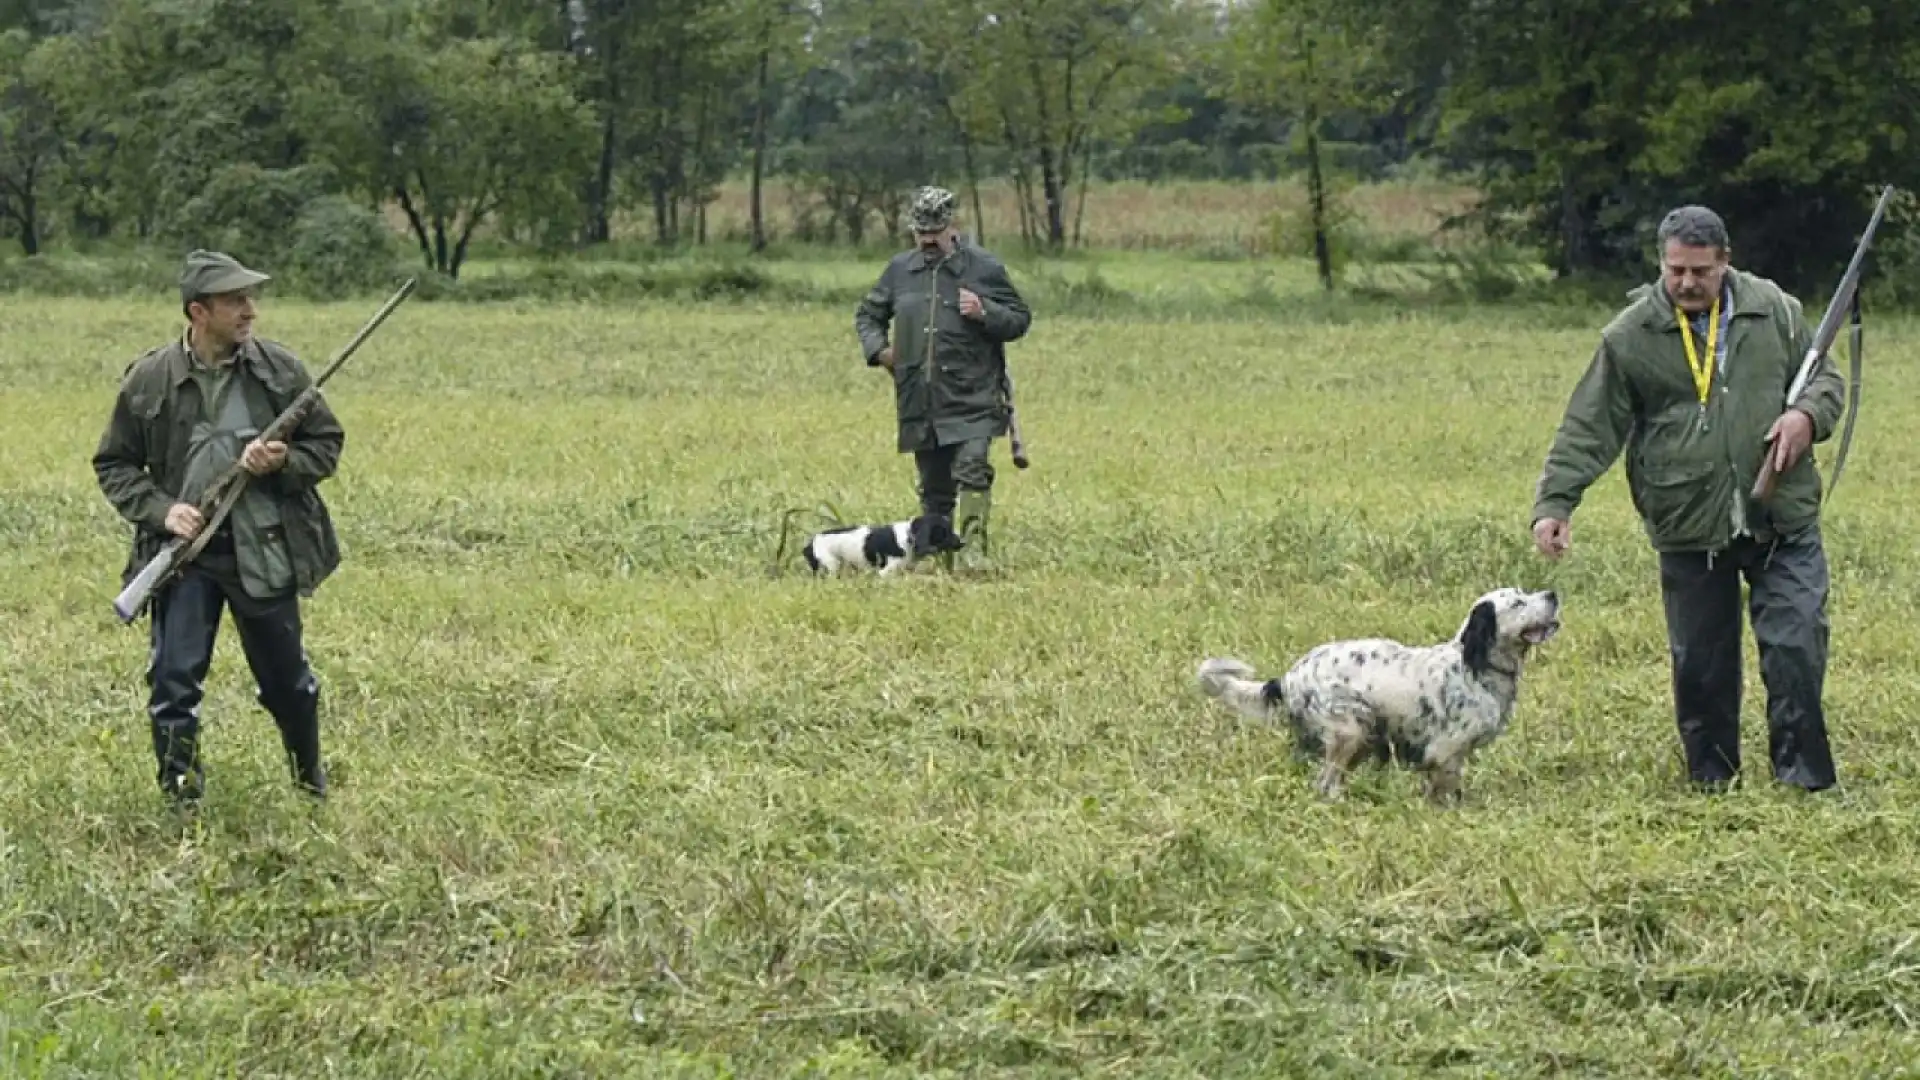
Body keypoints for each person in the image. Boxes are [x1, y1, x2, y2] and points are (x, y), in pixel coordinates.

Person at [1530, 205, 1846, 792]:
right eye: (1675, 270)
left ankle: (1804, 783)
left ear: (1725, 262)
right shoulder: (1631, 335)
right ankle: (1712, 783)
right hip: (1687, 522)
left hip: (1783, 517)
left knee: (1797, 648)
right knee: (1701, 664)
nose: (1686, 283)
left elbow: (1826, 376)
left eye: (1700, 270)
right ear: (1661, 264)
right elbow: (1589, 425)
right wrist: (1555, 504)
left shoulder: (1774, 310)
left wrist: (1805, 415)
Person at [92, 250, 346, 806]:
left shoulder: (281, 371)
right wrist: (163, 512)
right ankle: (182, 803)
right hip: (186, 558)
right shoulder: (149, 378)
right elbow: (113, 464)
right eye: (236, 301)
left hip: (265, 552)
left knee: (289, 686)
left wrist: (281, 463)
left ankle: (310, 788)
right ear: (198, 312)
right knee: (173, 686)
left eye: (251, 299)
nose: (250, 310)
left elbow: (326, 445)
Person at [854, 186, 1032, 571]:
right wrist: (881, 353)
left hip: (972, 397)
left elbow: (1019, 319)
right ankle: (936, 554)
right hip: (920, 398)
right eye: (921, 233)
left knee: (971, 469)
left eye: (934, 231)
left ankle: (970, 554)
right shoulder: (900, 270)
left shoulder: (983, 267)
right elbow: (868, 316)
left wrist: (985, 311)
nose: (928, 240)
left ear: (951, 225)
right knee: (935, 489)